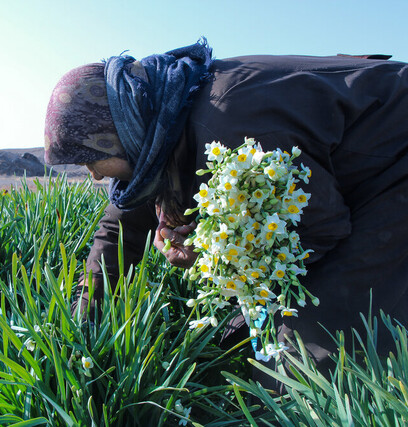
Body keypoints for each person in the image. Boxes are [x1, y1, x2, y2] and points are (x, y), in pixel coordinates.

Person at [43, 39, 408, 376]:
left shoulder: (229, 125)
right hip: (349, 179)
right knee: (241, 342)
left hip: (393, 163)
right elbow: (118, 231)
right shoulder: (157, 125)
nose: (92, 175)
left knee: (310, 362)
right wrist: (82, 323)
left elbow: (319, 230)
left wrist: (210, 257)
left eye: (91, 160)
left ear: (115, 134)